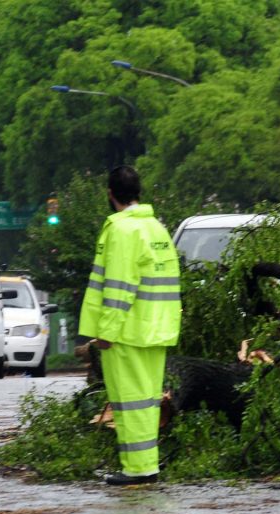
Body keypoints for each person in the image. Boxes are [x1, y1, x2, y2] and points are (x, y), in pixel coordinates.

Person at [79, 166, 182, 486]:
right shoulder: (157, 228)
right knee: (147, 402)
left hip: (128, 332)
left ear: (110, 194)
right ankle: (145, 465)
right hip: (156, 329)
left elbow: (119, 288)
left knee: (130, 402)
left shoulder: (121, 231)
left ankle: (137, 470)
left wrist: (106, 333)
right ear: (139, 192)